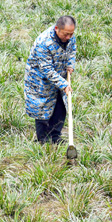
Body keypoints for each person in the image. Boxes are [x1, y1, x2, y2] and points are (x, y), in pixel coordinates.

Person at [24, 16, 77, 144]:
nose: (69, 37)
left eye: (71, 34)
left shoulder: (69, 36)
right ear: (57, 29)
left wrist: (70, 64)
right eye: (66, 34)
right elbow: (46, 69)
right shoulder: (44, 42)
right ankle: (43, 140)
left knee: (60, 105)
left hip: (59, 75)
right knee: (42, 108)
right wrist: (63, 84)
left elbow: (72, 50)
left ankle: (55, 136)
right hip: (40, 80)